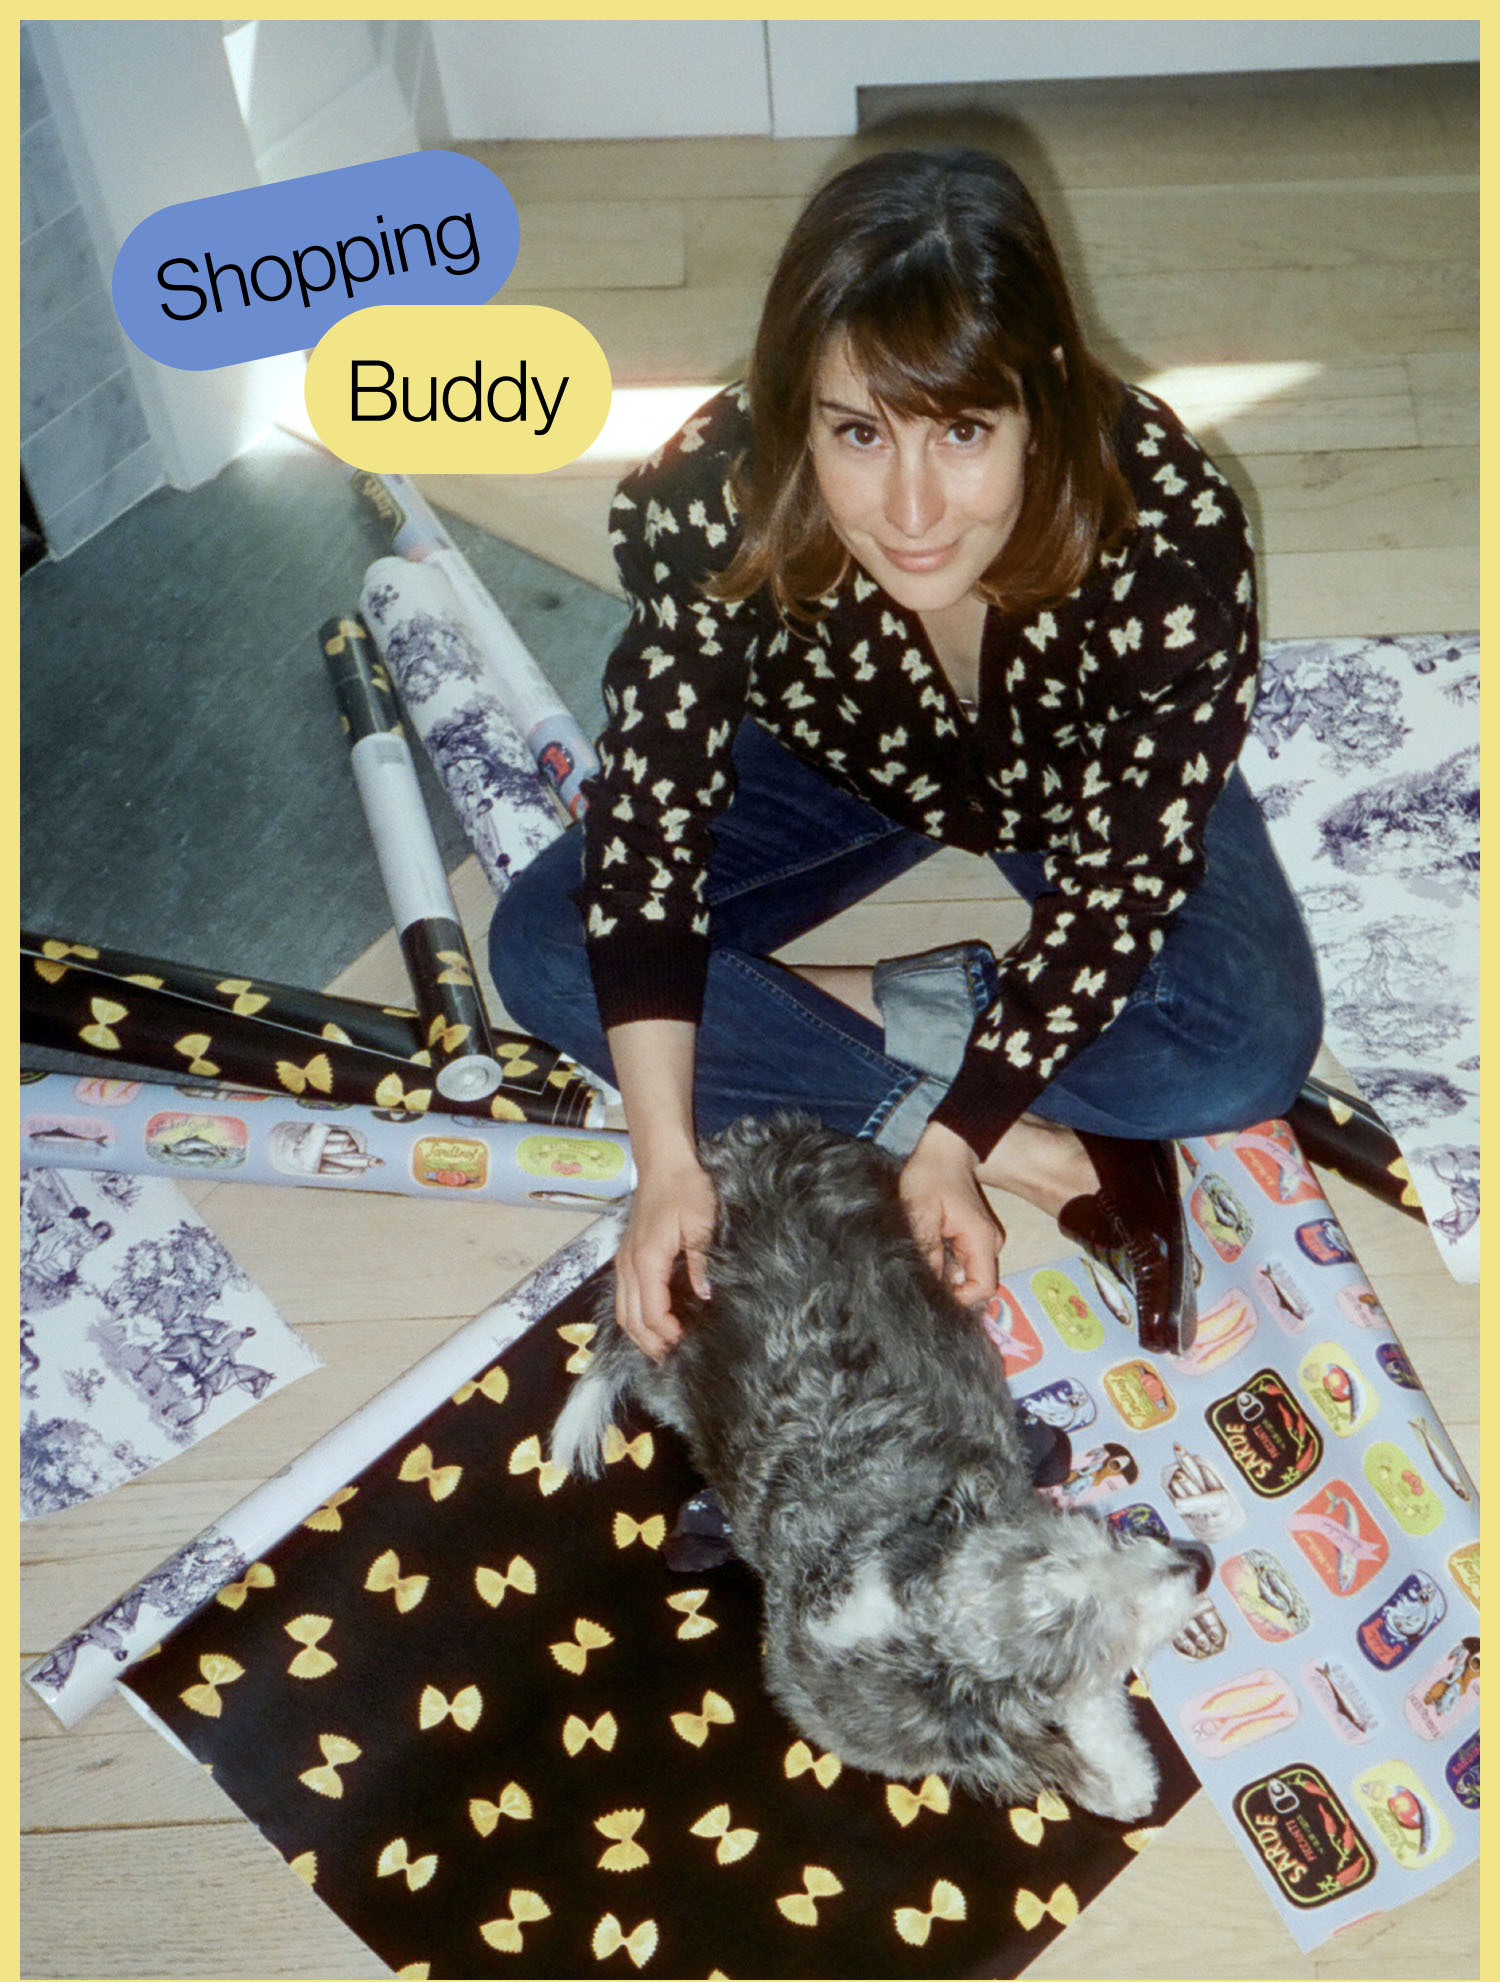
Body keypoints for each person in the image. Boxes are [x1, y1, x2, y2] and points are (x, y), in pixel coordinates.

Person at [490, 145, 1322, 1361]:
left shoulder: (1173, 543)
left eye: (965, 432)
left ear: (1042, 401)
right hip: (839, 761)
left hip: (1077, 790)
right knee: (545, 945)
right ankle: (1006, 1100)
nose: (915, 511)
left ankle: (898, 1018)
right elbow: (651, 815)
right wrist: (665, 1159)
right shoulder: (706, 495)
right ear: (794, 411)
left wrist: (948, 1145)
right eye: (860, 435)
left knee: (1239, 1051)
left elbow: (1116, 890)